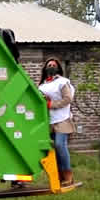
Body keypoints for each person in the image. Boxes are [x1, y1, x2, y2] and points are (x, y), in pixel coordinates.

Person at [38, 57, 74, 186]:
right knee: (53, 149)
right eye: (49, 64)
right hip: (49, 121)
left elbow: (68, 98)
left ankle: (68, 175)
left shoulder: (62, 82)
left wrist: (51, 104)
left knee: (60, 145)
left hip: (62, 119)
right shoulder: (42, 85)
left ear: (58, 68)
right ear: (45, 68)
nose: (51, 66)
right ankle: (58, 177)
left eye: (53, 65)